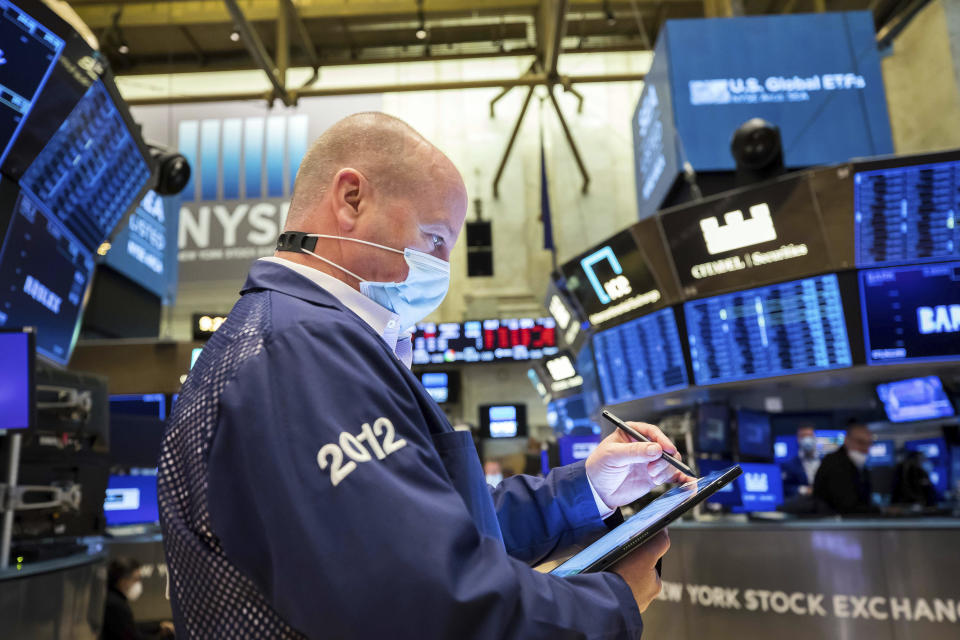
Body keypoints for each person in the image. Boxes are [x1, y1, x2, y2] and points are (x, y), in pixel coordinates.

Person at [158, 112, 690, 639]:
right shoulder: (299, 353)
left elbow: (428, 526)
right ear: (350, 200)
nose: (441, 268)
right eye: (434, 238)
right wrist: (612, 601)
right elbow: (424, 600)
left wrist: (588, 490)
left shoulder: (311, 340)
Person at [813, 421, 877, 515]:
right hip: (832, 524)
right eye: (860, 442)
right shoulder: (834, 463)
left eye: (869, 444)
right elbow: (846, 506)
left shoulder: (860, 467)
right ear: (847, 440)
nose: (865, 449)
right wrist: (880, 511)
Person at [102, 558, 174, 640]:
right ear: (122, 581)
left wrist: (159, 626)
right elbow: (134, 637)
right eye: (136, 579)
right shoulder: (115, 605)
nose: (138, 584)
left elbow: (132, 629)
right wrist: (164, 637)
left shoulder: (113, 599)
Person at [781, 425, 820, 498]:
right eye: (803, 436)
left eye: (809, 436)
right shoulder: (789, 465)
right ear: (798, 439)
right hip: (802, 501)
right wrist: (804, 490)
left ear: (815, 438)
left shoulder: (825, 461)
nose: (807, 439)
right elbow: (785, 488)